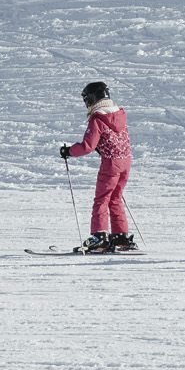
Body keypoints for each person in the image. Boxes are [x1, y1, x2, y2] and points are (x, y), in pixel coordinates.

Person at [61, 81, 134, 252]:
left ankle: (99, 237)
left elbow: (87, 146)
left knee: (102, 199)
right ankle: (120, 237)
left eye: (86, 100)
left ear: (93, 98)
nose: (86, 104)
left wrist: (69, 151)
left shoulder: (98, 118)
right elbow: (114, 139)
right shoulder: (118, 114)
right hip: (126, 161)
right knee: (115, 198)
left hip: (110, 164)